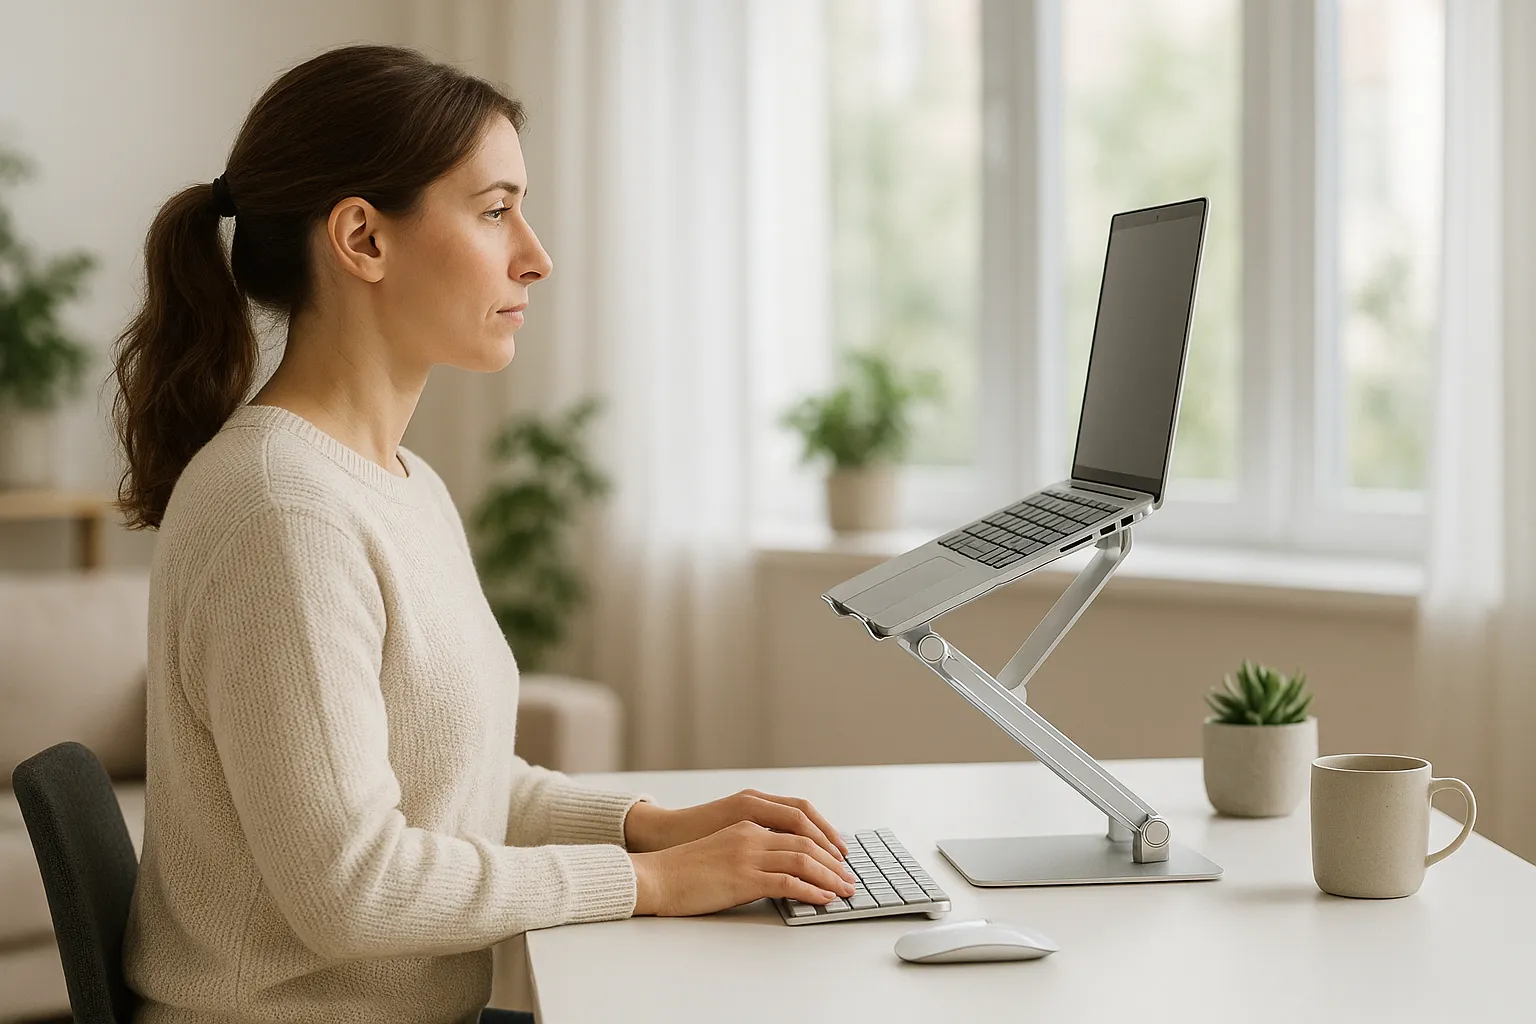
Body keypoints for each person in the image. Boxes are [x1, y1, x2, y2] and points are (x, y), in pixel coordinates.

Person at [110, 44, 858, 1024]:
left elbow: (446, 775)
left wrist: (655, 829)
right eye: (496, 208)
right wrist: (657, 882)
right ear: (363, 239)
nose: (535, 254)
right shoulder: (283, 512)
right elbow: (354, 887)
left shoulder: (399, 483)